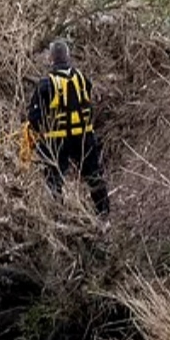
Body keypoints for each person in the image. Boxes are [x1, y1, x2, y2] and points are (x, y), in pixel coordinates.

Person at [25, 39, 110, 215]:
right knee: (94, 175)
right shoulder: (82, 79)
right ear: (68, 56)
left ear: (50, 59)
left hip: (58, 139)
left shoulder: (46, 84)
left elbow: (34, 117)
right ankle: (104, 214)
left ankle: (58, 216)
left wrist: (38, 134)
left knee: (53, 179)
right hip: (84, 137)